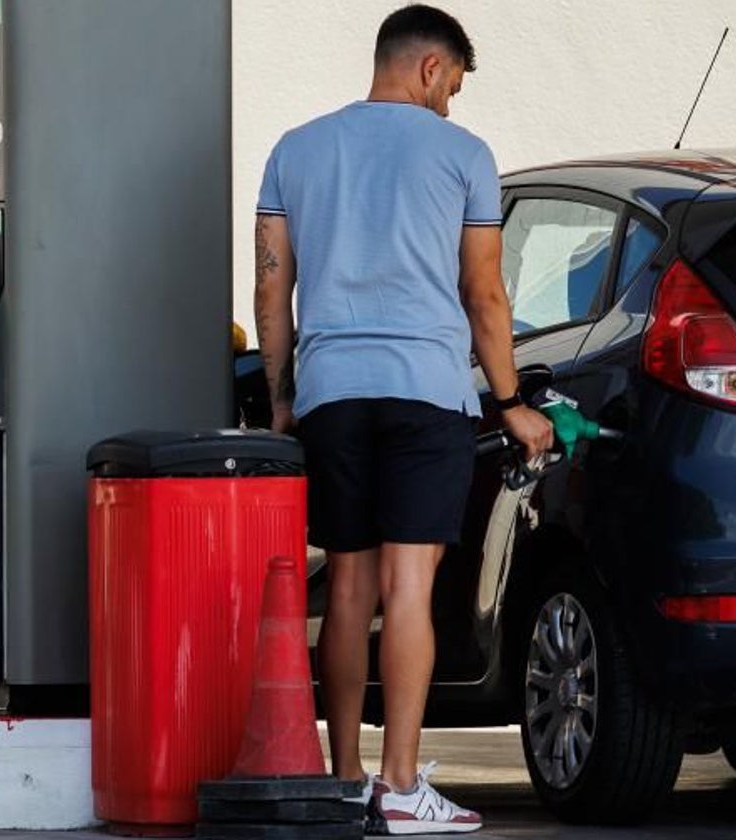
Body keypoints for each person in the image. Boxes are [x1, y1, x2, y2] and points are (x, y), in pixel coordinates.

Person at [254, 4, 553, 834]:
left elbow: (271, 290)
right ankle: (400, 786)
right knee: (408, 586)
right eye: (451, 85)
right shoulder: (464, 156)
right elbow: (484, 295)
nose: (451, 103)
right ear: (428, 67)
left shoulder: (296, 149)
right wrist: (512, 404)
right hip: (425, 393)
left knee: (347, 585)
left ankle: (344, 780)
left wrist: (283, 399)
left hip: (331, 395)